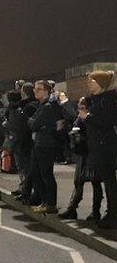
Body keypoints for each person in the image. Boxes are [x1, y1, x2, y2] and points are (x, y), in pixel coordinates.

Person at [83, 70, 117, 228]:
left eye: (91, 81)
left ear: (100, 84)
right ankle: (101, 213)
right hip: (97, 146)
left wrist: (88, 117)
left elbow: (108, 121)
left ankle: (112, 215)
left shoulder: (107, 100)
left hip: (105, 146)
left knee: (109, 182)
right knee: (98, 180)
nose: (88, 84)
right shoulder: (97, 100)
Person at [59, 97, 100, 220]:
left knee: (95, 182)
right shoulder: (80, 117)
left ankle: (95, 212)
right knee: (79, 182)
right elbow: (75, 125)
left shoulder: (91, 117)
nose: (80, 109)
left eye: (82, 106)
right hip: (83, 153)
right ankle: (72, 208)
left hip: (91, 153)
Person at [27, 80, 64, 214]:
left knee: (46, 174)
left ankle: (50, 204)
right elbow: (34, 123)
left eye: (38, 89)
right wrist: (33, 122)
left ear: (46, 91)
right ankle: (44, 202)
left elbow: (34, 124)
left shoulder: (48, 106)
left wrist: (32, 121)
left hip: (45, 144)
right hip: (39, 143)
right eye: (35, 89)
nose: (35, 91)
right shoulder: (42, 105)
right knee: (36, 174)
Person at [58, 91, 77, 165]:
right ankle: (68, 157)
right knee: (66, 143)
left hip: (67, 126)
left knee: (67, 142)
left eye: (63, 95)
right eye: (60, 96)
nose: (61, 97)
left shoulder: (66, 104)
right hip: (66, 125)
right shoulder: (66, 104)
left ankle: (68, 158)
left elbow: (71, 114)